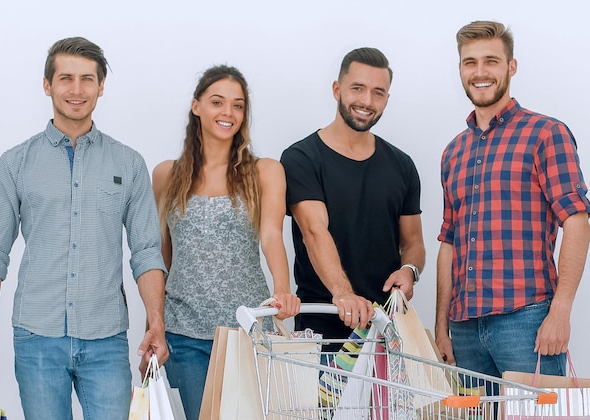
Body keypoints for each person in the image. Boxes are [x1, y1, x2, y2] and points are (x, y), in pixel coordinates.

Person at [0, 37, 169, 419]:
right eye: (66, 78)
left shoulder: (129, 163)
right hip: (36, 337)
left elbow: (145, 252)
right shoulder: (15, 164)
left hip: (106, 338)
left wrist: (155, 322)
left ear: (101, 86)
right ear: (48, 85)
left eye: (87, 79)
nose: (77, 90)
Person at [435, 20, 590, 380]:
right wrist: (441, 325)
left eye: (491, 60)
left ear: (511, 67)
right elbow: (449, 241)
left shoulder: (546, 134)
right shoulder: (453, 152)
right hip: (464, 329)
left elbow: (577, 220)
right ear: (460, 69)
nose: (480, 72)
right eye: (470, 62)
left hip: (527, 320)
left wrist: (561, 311)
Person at [152, 64, 300, 420]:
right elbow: (161, 258)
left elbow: (271, 235)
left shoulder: (264, 171)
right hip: (184, 331)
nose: (228, 113)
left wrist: (282, 290)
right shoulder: (165, 175)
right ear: (196, 106)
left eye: (238, 105)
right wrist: (153, 326)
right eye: (217, 102)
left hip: (247, 327)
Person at [280, 47, 426, 349]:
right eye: (357, 88)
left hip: (385, 331)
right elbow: (313, 230)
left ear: (387, 99)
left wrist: (409, 270)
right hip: (321, 327)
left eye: (378, 93)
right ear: (337, 89)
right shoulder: (301, 158)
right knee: (318, 400)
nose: (366, 101)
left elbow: (412, 241)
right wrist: (343, 293)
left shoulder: (402, 165)